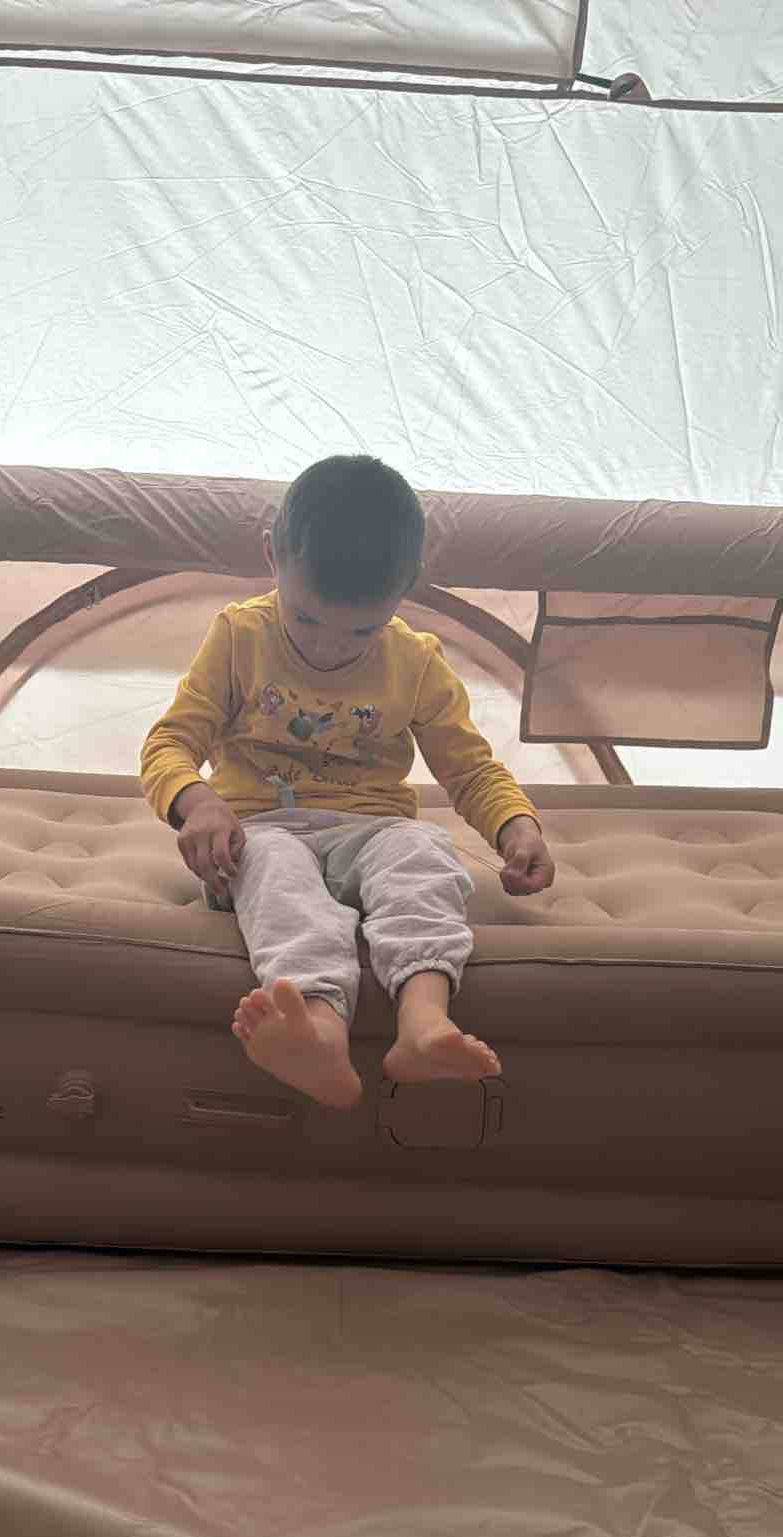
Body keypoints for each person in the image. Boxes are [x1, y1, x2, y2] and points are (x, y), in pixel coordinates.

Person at [141, 455, 554, 1110]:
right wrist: (200, 804)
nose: (330, 647)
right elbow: (168, 744)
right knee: (276, 868)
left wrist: (517, 827)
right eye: (307, 620)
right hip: (260, 831)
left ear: (407, 588)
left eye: (361, 630)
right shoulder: (238, 636)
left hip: (373, 831)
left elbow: (470, 768)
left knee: (423, 852)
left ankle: (424, 1025)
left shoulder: (416, 661)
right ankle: (320, 1034)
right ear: (272, 557)